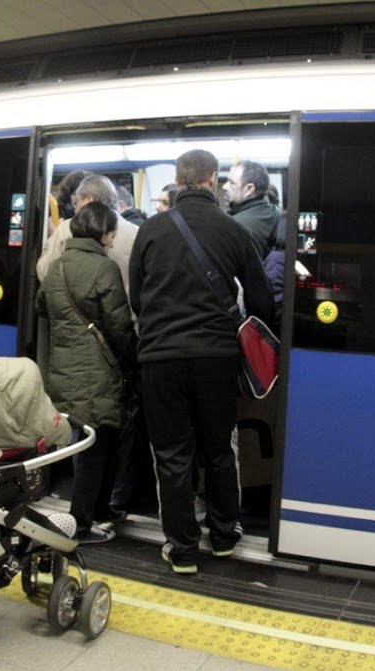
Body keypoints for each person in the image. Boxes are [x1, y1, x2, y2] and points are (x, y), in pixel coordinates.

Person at [129, 149, 275, 574]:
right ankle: (225, 535)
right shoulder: (232, 230)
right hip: (216, 356)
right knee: (219, 449)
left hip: (161, 358)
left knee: (172, 454)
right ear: (211, 180)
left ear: (179, 179)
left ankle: (183, 551)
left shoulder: (151, 231)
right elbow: (261, 299)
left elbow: (137, 297)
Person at [36, 203, 135, 543]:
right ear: (104, 233)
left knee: (88, 444)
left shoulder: (56, 267)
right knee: (96, 449)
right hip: (98, 373)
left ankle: (99, 511)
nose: (112, 239)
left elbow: (41, 306)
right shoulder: (104, 269)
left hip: (63, 371)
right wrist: (132, 361)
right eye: (111, 233)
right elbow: (120, 327)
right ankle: (80, 524)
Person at [37, 174, 139, 296]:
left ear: (88, 200)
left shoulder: (66, 228)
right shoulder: (136, 232)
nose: (75, 209)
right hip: (124, 311)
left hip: (75, 313)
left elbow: (45, 274)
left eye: (77, 202)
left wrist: (53, 237)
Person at [225, 159, 282, 261]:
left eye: (231, 183)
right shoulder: (277, 214)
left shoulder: (235, 225)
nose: (225, 187)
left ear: (249, 189)